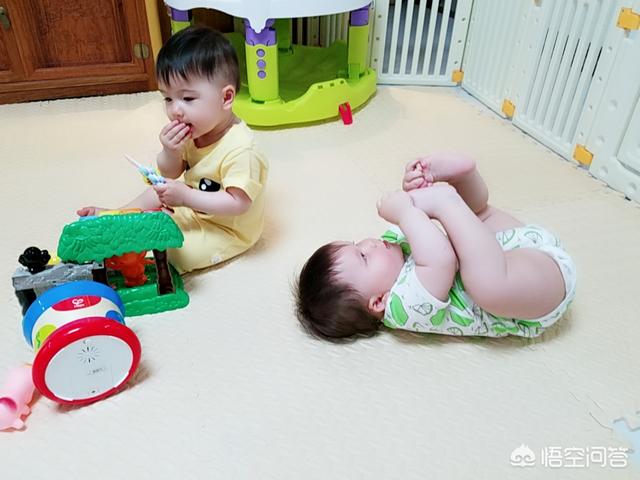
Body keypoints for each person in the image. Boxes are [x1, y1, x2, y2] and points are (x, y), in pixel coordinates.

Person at [294, 153, 576, 340]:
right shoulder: (403, 307)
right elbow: (442, 260)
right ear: (378, 301)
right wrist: (409, 212)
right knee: (486, 285)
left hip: (514, 248)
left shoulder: (395, 249)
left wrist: (416, 191)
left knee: (478, 216)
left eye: (357, 243)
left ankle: (463, 177)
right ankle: (449, 197)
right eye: (363, 256)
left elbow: (432, 228)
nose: (368, 243)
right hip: (540, 293)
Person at [78, 26, 268, 274]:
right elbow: (170, 172)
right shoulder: (196, 129)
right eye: (168, 98)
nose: (175, 110)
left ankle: (140, 239)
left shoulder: (242, 150)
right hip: (193, 207)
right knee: (158, 190)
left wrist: (186, 197)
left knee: (177, 254)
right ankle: (120, 216)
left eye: (187, 99)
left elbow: (238, 204)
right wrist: (170, 151)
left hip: (226, 229)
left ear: (226, 98)